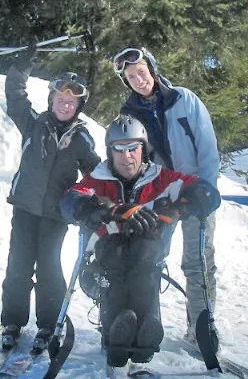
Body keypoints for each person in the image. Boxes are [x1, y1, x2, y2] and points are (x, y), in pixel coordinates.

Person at [60, 114, 220, 367]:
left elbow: (207, 193)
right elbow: (70, 200)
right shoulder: (98, 179)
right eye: (119, 150)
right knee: (116, 257)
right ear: (110, 152)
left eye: (133, 148)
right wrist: (106, 209)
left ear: (143, 150)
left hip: (149, 253)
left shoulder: (162, 179)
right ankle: (116, 332)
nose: (127, 157)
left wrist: (178, 209)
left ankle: (146, 329)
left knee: (145, 253)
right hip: (108, 254)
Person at [112, 45, 221, 344]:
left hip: (196, 190)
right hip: (162, 194)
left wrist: (206, 189)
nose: (138, 80)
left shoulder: (184, 99)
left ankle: (201, 328)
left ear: (152, 69)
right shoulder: (130, 113)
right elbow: (135, 160)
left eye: (141, 72)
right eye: (131, 77)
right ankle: (146, 324)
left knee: (197, 262)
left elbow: (207, 147)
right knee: (149, 257)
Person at [0, 51, 101, 352]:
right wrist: (21, 67)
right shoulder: (33, 123)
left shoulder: (82, 139)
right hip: (25, 209)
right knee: (18, 267)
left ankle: (47, 325)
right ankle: (12, 323)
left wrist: (92, 201)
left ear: (78, 107)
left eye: (71, 102)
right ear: (52, 99)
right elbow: (15, 97)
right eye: (60, 98)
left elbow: (96, 176)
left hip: (56, 216)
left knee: (49, 270)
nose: (65, 104)